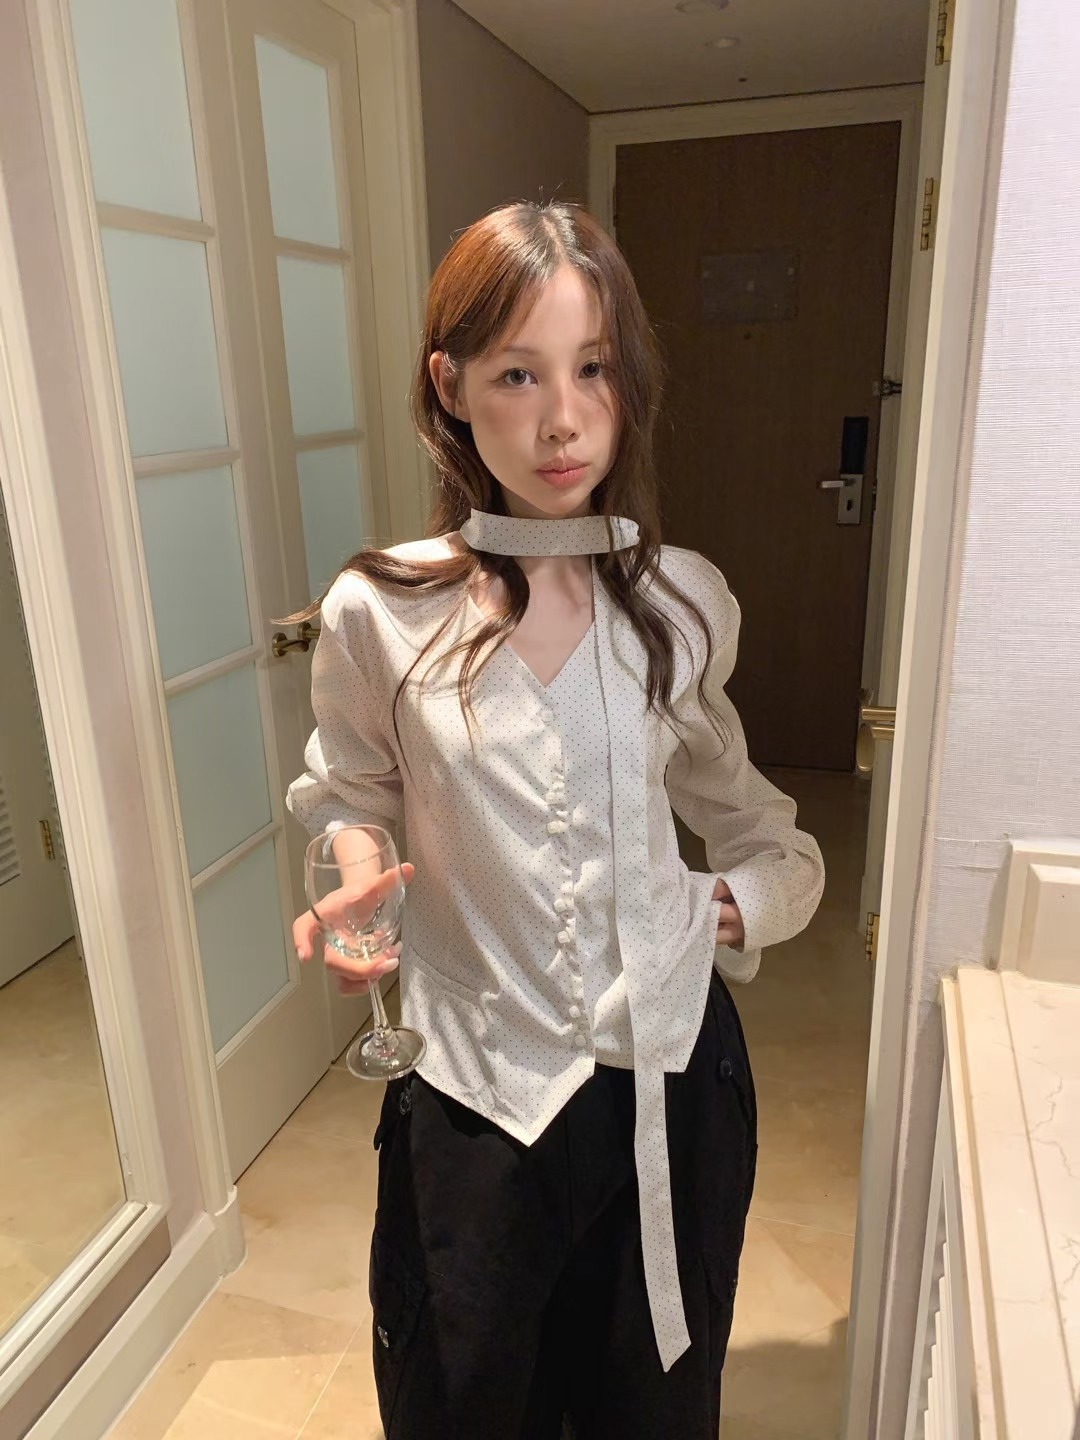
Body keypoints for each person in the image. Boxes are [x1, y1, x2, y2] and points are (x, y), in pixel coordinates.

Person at [287, 200, 825, 1440]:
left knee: (652, 1411)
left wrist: (725, 904)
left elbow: (770, 838)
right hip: (475, 1093)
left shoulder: (679, 608)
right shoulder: (383, 612)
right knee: (462, 1404)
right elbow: (351, 788)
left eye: (594, 369)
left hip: (671, 1091)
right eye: (518, 374)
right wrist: (363, 875)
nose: (564, 419)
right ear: (452, 387)